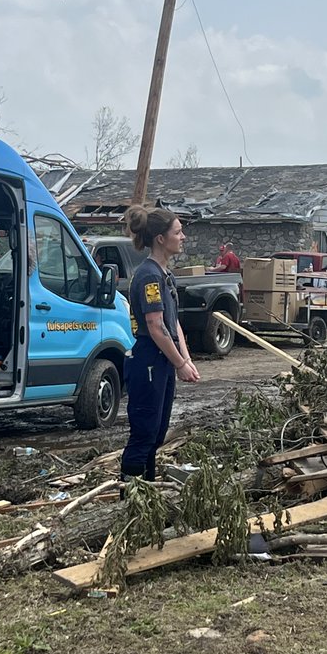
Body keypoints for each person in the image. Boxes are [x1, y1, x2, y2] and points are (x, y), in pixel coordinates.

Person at [120, 205, 200, 483]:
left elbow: (173, 322)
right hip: (148, 360)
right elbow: (155, 326)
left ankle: (148, 490)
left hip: (163, 359)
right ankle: (129, 493)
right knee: (144, 432)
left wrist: (185, 360)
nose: (183, 237)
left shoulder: (166, 275)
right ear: (161, 239)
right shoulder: (149, 276)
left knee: (157, 432)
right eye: (178, 232)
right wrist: (179, 364)